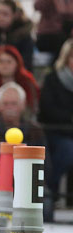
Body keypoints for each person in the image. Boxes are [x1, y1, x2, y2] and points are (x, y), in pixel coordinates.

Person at [37, 39, 73, 213]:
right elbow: (48, 109)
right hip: (56, 131)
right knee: (67, 151)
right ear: (66, 58)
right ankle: (50, 188)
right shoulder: (53, 79)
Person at [0, 45, 39, 123]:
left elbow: (31, 108)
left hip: (23, 126)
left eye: (9, 62)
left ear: (17, 63)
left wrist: (21, 124)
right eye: (1, 61)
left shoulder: (27, 82)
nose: (4, 65)